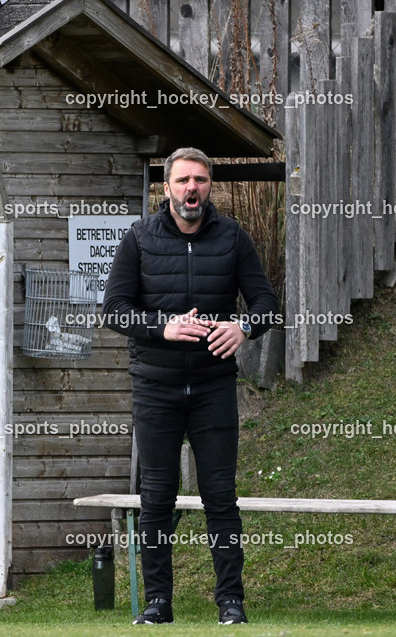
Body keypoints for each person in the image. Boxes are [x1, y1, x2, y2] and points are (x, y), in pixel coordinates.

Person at [103, 147, 278, 626]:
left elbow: (266, 302)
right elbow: (114, 309)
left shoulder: (233, 237)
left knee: (220, 496)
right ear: (167, 187)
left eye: (200, 180)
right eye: (183, 180)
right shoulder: (139, 238)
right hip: (155, 388)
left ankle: (231, 603)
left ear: (210, 187)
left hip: (213, 387)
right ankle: (158, 603)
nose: (191, 188)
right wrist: (162, 328)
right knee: (156, 496)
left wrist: (243, 327)